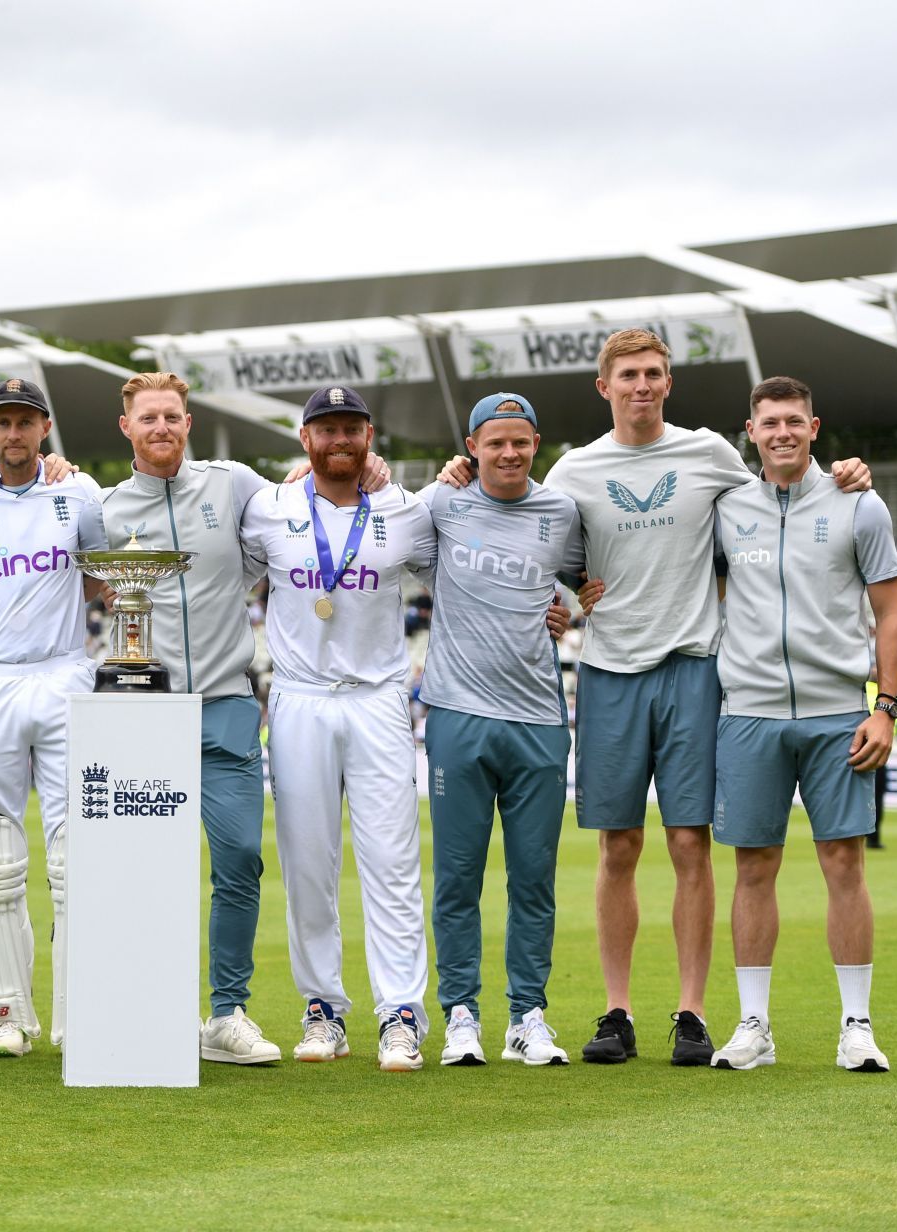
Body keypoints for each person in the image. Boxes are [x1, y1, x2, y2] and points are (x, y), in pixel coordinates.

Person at [457, 329, 869, 1068]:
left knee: (689, 844)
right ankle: (616, 1010)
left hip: (694, 665)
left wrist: (843, 473)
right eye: (628, 375)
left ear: (667, 383)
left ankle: (691, 1011)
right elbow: (539, 545)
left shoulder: (711, 452)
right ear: (604, 386)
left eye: (653, 373)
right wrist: (467, 480)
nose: (641, 385)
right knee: (619, 846)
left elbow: (779, 492)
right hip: (612, 669)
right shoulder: (577, 469)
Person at [707, 376, 897, 1073]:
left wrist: (886, 706)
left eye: (794, 420)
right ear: (751, 432)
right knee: (752, 867)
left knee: (844, 863)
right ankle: (753, 1026)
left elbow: (890, 612)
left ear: (814, 428)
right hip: (749, 712)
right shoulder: (726, 505)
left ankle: (857, 1025)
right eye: (770, 423)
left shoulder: (859, 502)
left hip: (838, 714)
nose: (782, 432)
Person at [239, 385, 436, 1072]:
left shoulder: (403, 510)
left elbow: (460, 574)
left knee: (391, 862)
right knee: (307, 863)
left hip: (379, 696)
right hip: (298, 698)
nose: (340, 440)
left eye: (352, 428)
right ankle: (323, 1010)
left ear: (370, 434)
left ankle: (401, 1014)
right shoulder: (270, 507)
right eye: (327, 430)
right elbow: (220, 582)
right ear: (306, 439)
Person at [100, 372, 284, 1064]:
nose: (161, 429)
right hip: (142, 712)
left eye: (172, 417)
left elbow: (300, 508)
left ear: (188, 421)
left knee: (238, 856)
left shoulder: (232, 482)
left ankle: (226, 1014)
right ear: (128, 429)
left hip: (228, 702)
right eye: (148, 419)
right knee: (145, 868)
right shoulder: (103, 508)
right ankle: (146, 1006)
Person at [0, 376, 106, 1058]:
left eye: (26, 422)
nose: (14, 433)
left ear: (44, 429)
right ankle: (2, 1015)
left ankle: (78, 1014)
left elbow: (100, 575)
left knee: (78, 852)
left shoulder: (79, 494)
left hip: (64, 671)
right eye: (2, 422)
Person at [422, 394, 585, 1069]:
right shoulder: (442, 504)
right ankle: (461, 1013)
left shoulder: (562, 512)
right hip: (459, 715)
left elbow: (594, 582)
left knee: (533, 880)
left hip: (540, 720)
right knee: (458, 877)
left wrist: (570, 612)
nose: (510, 454)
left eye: (521, 442)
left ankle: (528, 1017)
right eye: (496, 444)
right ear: (472, 446)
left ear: (536, 443)